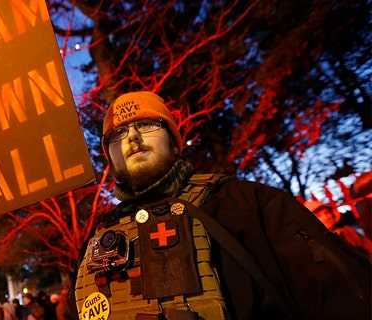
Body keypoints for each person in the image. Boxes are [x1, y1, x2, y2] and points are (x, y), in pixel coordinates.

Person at [71, 91, 371, 320]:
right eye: (118, 133)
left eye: (147, 124)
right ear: (109, 156)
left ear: (175, 142)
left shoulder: (251, 206)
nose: (132, 137)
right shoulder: (96, 243)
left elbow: (347, 299)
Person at [305, 200, 372, 261]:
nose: (326, 217)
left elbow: (368, 248)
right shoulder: (315, 242)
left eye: (326, 212)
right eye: (318, 215)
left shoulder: (346, 231)